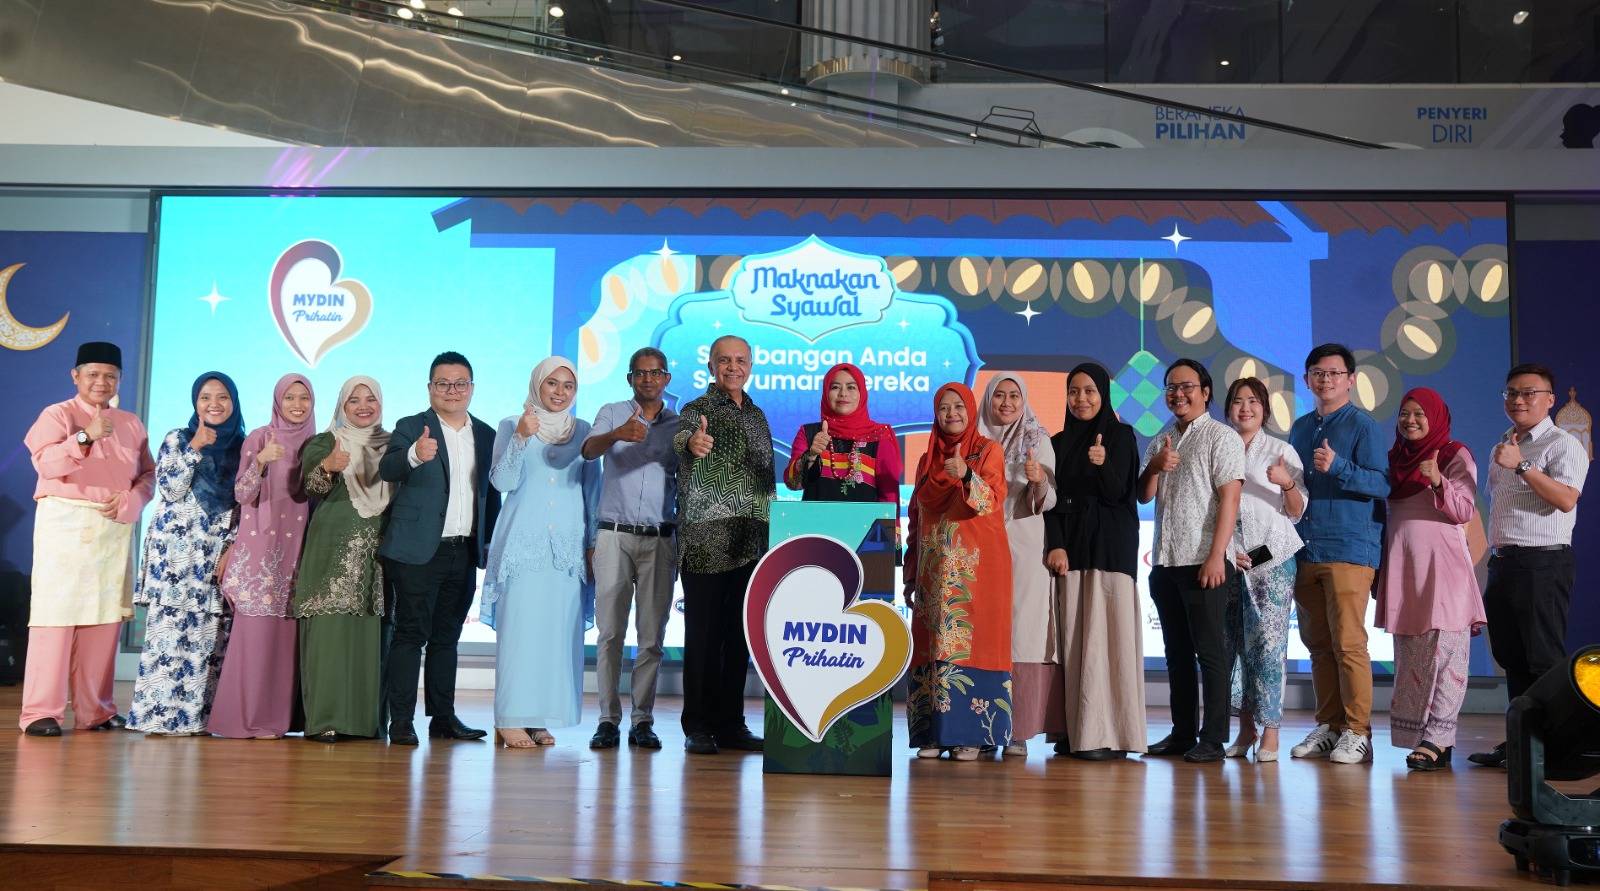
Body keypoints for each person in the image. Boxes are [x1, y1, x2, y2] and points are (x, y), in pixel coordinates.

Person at [19, 342, 155, 737]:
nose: (101, 382)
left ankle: (95, 710)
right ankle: (41, 712)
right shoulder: (57, 415)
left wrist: (133, 501)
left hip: (112, 528)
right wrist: (85, 436)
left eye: (110, 375)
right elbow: (45, 463)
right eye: (93, 374)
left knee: (105, 619)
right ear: (75, 376)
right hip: (65, 523)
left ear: (120, 380)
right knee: (55, 618)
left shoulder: (131, 423)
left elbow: (148, 475)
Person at [378, 351, 502, 746]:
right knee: (409, 635)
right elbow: (388, 468)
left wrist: (488, 544)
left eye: (460, 383)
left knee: (447, 638)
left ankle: (442, 718)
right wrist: (415, 454)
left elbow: (490, 494)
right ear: (430, 388)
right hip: (416, 551)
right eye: (443, 384)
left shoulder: (485, 433)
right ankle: (400, 721)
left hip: (462, 551)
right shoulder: (412, 426)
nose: (452, 391)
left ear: (472, 388)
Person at [1470, 363, 1587, 768]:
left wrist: (1522, 466)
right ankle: (1524, 747)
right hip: (1506, 562)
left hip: (1543, 562)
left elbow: (1567, 499)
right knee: (1511, 657)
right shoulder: (1502, 445)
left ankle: (1558, 752)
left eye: (1529, 393)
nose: (1518, 400)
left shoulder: (1562, 444)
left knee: (1542, 661)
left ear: (1550, 400)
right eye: (1511, 394)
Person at [483, 357, 601, 748]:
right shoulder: (510, 424)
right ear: (537, 385)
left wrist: (592, 545)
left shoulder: (584, 432)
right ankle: (509, 717)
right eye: (552, 383)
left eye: (568, 385)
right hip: (523, 544)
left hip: (566, 550)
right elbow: (501, 482)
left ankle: (536, 718)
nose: (560, 392)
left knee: (553, 635)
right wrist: (520, 437)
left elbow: (592, 492)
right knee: (520, 631)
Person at [1286, 344, 1388, 766]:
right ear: (1308, 379)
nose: (1325, 380)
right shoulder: (1300, 426)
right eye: (1317, 373)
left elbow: (1383, 485)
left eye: (1333, 373)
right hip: (1305, 548)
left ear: (1350, 379)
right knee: (1318, 645)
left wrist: (1339, 467)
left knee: (1349, 644)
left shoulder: (1364, 426)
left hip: (1348, 548)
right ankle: (1328, 726)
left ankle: (1357, 732)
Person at [1139, 359, 1244, 764]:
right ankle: (1182, 733)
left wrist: (1218, 556)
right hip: (1165, 562)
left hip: (1206, 562)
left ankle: (1213, 738)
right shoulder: (1162, 439)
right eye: (1170, 387)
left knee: (1210, 654)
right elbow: (1144, 495)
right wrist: (1154, 465)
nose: (1177, 394)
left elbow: (1230, 500)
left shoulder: (1222, 437)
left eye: (1186, 386)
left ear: (1205, 391)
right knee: (1176, 654)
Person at [128, 372, 244, 735]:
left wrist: (233, 547)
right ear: (195, 402)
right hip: (174, 559)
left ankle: (199, 720)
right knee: (168, 638)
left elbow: (245, 504)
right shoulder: (178, 439)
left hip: (213, 555)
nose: (214, 404)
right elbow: (170, 488)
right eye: (205, 397)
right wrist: (194, 448)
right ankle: (158, 718)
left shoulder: (244, 446)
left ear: (234, 402)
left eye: (222, 397)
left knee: (208, 640)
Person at [673, 335, 774, 755]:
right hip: (706, 541)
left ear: (750, 364)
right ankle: (697, 724)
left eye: (741, 360)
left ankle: (731, 724)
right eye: (725, 360)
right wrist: (691, 444)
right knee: (703, 636)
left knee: (739, 638)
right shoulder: (696, 411)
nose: (734, 367)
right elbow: (681, 440)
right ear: (711, 365)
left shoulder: (757, 414)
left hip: (751, 541)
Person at [1375, 387, 1485, 771]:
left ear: (1437, 416)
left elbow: (1464, 510)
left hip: (1445, 568)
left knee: (1448, 655)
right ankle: (1425, 737)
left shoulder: (1455, 454)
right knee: (1414, 660)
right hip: (1405, 568)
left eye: (1420, 414)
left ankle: (1438, 736)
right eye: (1405, 413)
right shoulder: (1392, 459)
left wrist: (1438, 480)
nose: (1410, 421)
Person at [903, 382, 1013, 761]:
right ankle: (934, 735)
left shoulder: (988, 451)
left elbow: (991, 500)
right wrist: (910, 572)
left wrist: (966, 473)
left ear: (970, 410)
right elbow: (916, 517)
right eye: (943, 408)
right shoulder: (926, 459)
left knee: (974, 645)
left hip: (978, 570)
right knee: (932, 644)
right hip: (935, 571)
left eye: (958, 407)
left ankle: (973, 735)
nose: (951, 414)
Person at [1043, 362, 1147, 760]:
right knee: (1074, 641)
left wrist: (1103, 464)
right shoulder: (1056, 441)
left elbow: (1122, 493)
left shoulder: (1121, 435)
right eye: (1074, 391)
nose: (1081, 399)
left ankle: (1111, 735)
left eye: (1089, 391)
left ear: (1103, 394)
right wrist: (1055, 544)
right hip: (1071, 552)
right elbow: (1051, 502)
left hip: (1110, 550)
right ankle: (1077, 730)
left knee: (1109, 641)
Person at [582, 347, 679, 751]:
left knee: (652, 636)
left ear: (666, 379)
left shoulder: (681, 423)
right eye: (640, 373)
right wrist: (617, 434)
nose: (648, 380)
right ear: (630, 379)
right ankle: (607, 720)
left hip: (660, 538)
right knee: (610, 634)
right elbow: (588, 451)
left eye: (655, 373)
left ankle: (642, 720)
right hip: (614, 536)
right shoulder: (611, 411)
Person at [210, 374, 316, 739]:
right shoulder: (259, 437)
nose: (297, 405)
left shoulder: (318, 443)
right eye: (290, 398)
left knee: (285, 642)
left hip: (299, 552)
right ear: (277, 401)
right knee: (253, 638)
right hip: (260, 551)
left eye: (304, 398)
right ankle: (241, 719)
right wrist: (260, 462)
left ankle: (277, 721)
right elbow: (241, 493)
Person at [294, 375, 395, 742]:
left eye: (371, 398)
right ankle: (326, 721)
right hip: (332, 552)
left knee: (369, 638)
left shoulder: (394, 445)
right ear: (342, 406)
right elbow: (310, 488)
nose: (364, 406)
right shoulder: (325, 441)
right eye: (354, 400)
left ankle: (366, 723)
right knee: (330, 633)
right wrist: (329, 467)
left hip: (378, 556)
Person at [1222, 377, 1305, 762]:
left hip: (1273, 556)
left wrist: (1286, 482)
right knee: (1235, 646)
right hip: (1230, 558)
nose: (1245, 408)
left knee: (1270, 647)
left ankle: (1271, 731)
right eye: (1237, 401)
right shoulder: (1219, 446)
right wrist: (1226, 549)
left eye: (1253, 401)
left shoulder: (1280, 449)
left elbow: (1297, 510)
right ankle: (1244, 728)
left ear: (1265, 409)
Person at [976, 373, 1055, 758]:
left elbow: (1051, 499)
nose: (1006, 403)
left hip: (1026, 547)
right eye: (999, 395)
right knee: (983, 633)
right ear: (988, 399)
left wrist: (1039, 481)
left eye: (1014, 396)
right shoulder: (972, 439)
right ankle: (979, 723)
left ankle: (1017, 728)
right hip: (980, 547)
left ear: (1024, 400)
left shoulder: (1039, 440)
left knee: (1022, 632)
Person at [783, 362, 902, 508]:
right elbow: (793, 484)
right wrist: (811, 455)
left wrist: (889, 530)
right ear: (826, 393)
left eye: (851, 387)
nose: (843, 393)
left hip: (865, 529)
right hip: (814, 528)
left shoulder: (879, 436)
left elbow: (889, 498)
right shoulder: (810, 433)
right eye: (835, 387)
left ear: (862, 393)